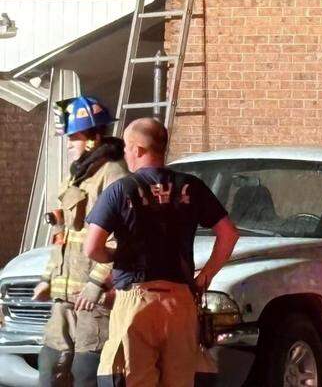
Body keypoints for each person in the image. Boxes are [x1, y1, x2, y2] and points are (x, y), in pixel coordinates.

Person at [83, 118, 239, 387]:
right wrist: (206, 276)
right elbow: (228, 234)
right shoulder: (191, 186)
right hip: (180, 302)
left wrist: (114, 256)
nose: (125, 155)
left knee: (131, 377)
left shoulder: (121, 189)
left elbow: (92, 248)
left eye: (127, 149)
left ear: (139, 149)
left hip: (136, 301)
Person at [32, 97, 129, 387]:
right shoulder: (77, 175)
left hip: (93, 301)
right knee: (49, 368)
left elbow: (122, 237)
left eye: (74, 137)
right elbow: (62, 232)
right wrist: (48, 277)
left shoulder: (113, 175)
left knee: (88, 373)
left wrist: (97, 282)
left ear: (93, 138)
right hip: (64, 297)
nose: (69, 143)